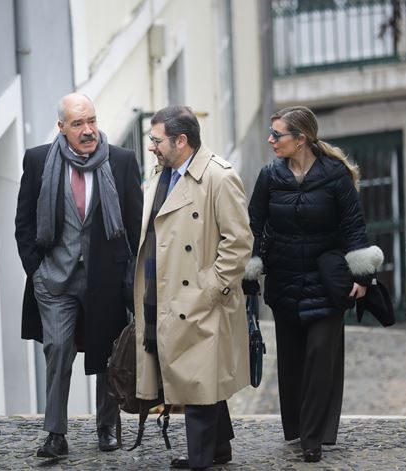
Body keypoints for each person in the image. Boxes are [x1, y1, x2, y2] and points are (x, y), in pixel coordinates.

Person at [243, 105, 383, 463]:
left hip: (326, 281)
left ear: (300, 139)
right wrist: (250, 271)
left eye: (278, 134)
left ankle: (313, 437)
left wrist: (363, 276)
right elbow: (254, 224)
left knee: (321, 357)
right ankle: (297, 428)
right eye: (271, 133)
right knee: (291, 361)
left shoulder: (335, 175)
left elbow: (354, 226)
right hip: (285, 279)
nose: (270, 140)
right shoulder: (269, 176)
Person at [15, 93, 143, 457]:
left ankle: (107, 426)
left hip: (107, 280)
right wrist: (36, 272)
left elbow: (135, 227)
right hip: (55, 280)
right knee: (57, 350)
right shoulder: (39, 161)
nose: (88, 131)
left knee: (107, 353)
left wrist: (130, 277)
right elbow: (24, 224)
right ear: (61, 127)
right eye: (78, 124)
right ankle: (55, 433)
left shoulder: (121, 161)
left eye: (91, 121)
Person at [133, 105, 253, 470]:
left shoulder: (218, 177)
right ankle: (220, 448)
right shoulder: (162, 174)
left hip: (200, 300)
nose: (151, 146)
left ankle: (201, 459)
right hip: (165, 295)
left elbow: (239, 242)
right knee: (202, 377)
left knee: (200, 381)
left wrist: (211, 289)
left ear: (180, 141)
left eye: (156, 140)